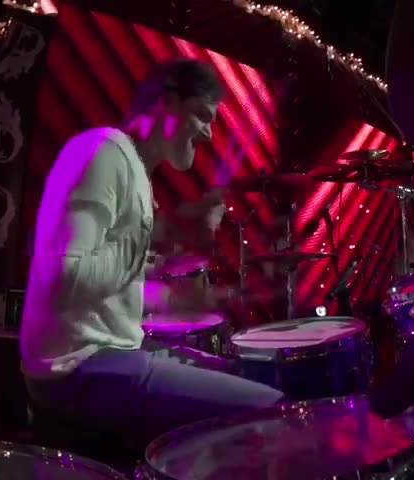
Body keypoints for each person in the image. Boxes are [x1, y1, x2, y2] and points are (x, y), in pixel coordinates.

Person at [20, 59, 284, 446]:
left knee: (249, 375)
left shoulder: (133, 168)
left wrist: (176, 300)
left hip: (106, 357)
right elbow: (64, 279)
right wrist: (161, 232)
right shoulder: (103, 151)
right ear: (167, 101)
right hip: (76, 372)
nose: (209, 133)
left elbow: (105, 294)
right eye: (202, 115)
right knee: (274, 411)